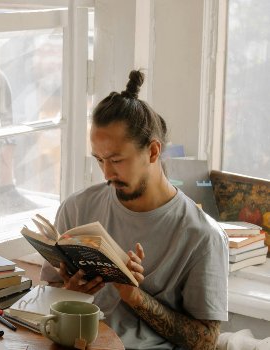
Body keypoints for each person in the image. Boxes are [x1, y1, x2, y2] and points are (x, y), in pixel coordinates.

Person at [40, 70, 228, 349]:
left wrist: (134, 297)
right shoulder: (77, 208)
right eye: (99, 160)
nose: (106, 174)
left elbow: (206, 341)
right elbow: (48, 294)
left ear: (153, 152)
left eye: (116, 160)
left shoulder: (202, 235)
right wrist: (71, 293)